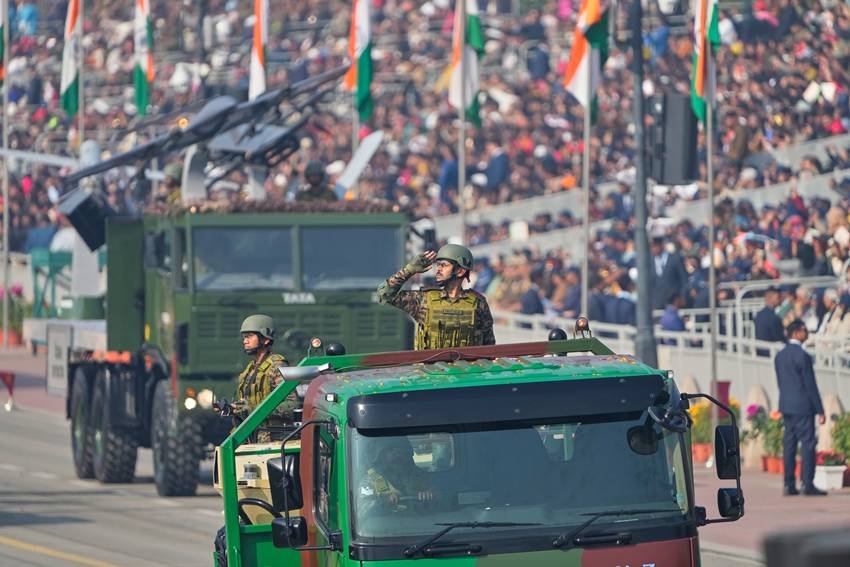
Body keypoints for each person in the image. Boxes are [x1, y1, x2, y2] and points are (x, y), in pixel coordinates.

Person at [377, 244, 495, 349]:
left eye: (443, 265)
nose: (438, 269)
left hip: (465, 372)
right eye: (438, 265)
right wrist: (409, 270)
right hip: (430, 372)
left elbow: (488, 345)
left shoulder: (478, 303)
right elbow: (384, 294)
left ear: (460, 271)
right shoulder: (424, 300)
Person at [775, 319, 826, 496]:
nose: (807, 333)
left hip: (787, 405)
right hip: (803, 406)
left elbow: (781, 382)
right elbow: (810, 384)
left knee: (789, 445)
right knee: (808, 444)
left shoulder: (780, 355)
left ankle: (788, 484)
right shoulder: (802, 355)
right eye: (804, 330)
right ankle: (807, 483)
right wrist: (820, 409)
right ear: (796, 332)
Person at [232, 314, 295, 443]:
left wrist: (252, 409)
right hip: (250, 439)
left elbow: (291, 405)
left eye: (249, 336)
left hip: (272, 441)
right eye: (244, 337)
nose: (245, 341)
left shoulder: (277, 366)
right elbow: (246, 404)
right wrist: (232, 408)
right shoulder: (250, 369)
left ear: (265, 340)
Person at [356, 436, 434, 514]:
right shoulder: (370, 480)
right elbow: (362, 510)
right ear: (382, 455)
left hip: (422, 523)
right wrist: (384, 502)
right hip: (387, 524)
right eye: (391, 450)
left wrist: (429, 495)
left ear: (407, 454)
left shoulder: (420, 476)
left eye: (400, 450)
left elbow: (440, 500)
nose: (397, 453)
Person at [755, 287, 785, 356]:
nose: (781, 299)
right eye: (778, 297)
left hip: (760, 352)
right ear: (770, 298)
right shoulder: (773, 317)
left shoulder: (759, 314)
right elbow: (779, 338)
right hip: (771, 353)